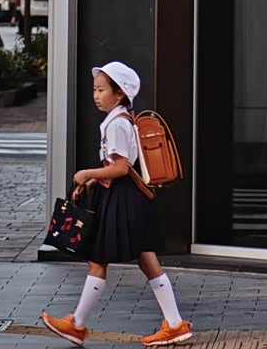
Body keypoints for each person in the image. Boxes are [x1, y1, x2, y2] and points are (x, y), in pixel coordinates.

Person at [40, 62, 193, 347]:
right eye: (94, 90)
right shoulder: (119, 119)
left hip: (121, 198)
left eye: (101, 90)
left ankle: (77, 325)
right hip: (126, 197)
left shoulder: (117, 124)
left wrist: (87, 174)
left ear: (119, 93)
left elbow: (121, 167)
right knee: (145, 259)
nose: (95, 95)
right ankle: (174, 324)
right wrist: (94, 180)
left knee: (99, 258)